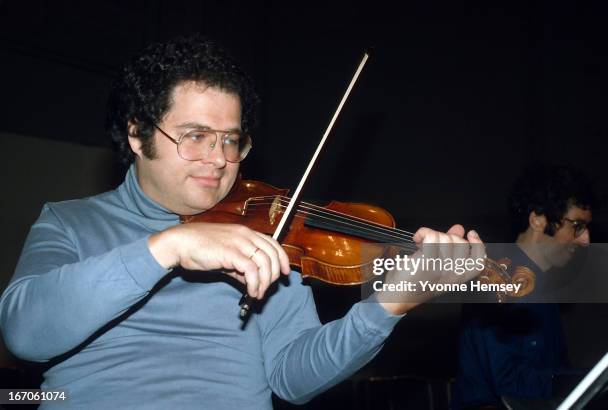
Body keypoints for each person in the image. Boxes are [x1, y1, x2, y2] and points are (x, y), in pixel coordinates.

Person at [0, 35, 483, 409]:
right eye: (196, 136)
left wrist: (388, 305)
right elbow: (26, 333)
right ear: (137, 134)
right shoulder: (70, 222)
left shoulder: (268, 235)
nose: (219, 158)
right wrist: (168, 247)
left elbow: (291, 379)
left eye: (232, 140)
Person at [453, 164, 594, 409]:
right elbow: (508, 383)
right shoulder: (497, 279)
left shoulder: (543, 289)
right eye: (577, 226)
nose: (585, 239)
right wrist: (587, 383)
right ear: (538, 220)